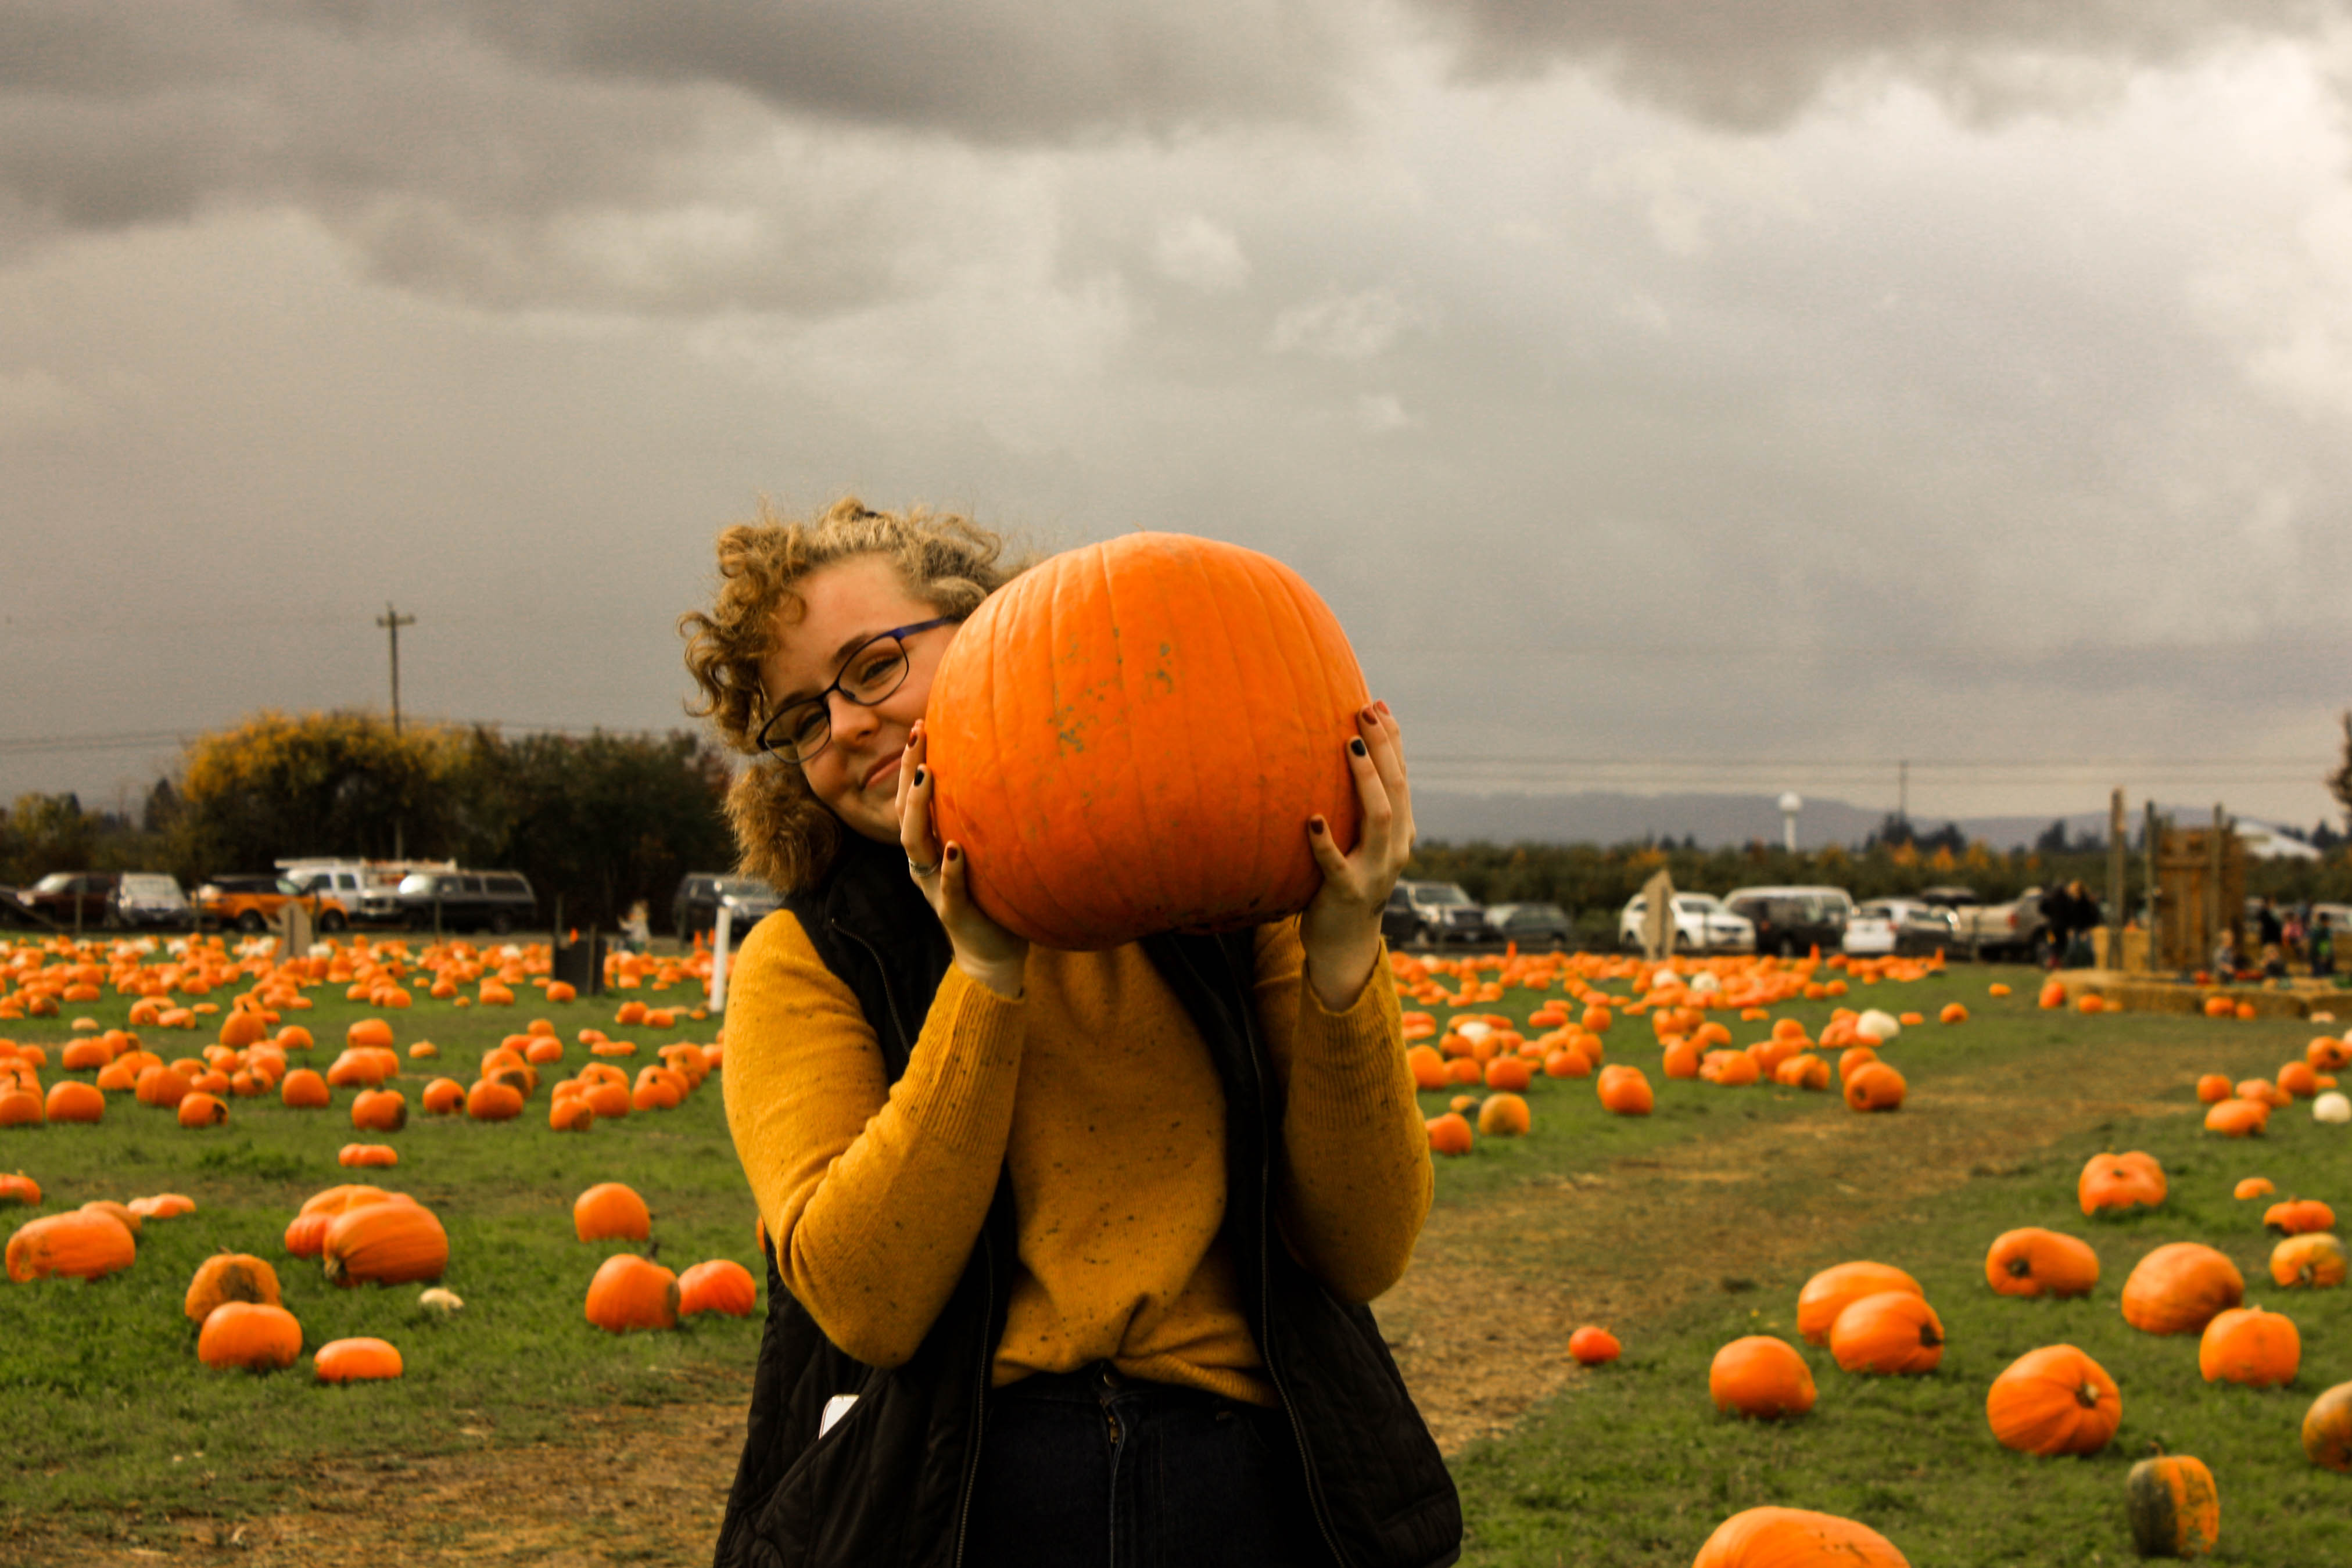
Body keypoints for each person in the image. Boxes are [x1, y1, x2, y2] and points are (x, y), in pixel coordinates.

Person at [680, 499, 1457, 1568]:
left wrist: (1342, 947)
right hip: (960, 1496)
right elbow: (870, 1302)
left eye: (873, 669)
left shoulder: (1228, 894)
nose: (848, 725)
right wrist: (985, 974)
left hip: (1244, 1479)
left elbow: (1363, 1248)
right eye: (805, 721)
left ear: (992, 633)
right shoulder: (808, 958)